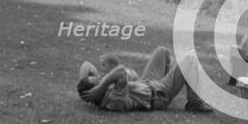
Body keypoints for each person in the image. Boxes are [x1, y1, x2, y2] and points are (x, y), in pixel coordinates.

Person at [77, 46, 212, 112]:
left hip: (146, 83)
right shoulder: (114, 99)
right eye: (97, 81)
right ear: (96, 91)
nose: (100, 78)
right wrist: (100, 86)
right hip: (159, 94)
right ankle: (194, 103)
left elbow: (85, 65)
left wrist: (87, 90)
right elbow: (120, 71)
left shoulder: (100, 93)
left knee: (162, 51)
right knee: (190, 59)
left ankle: (168, 80)